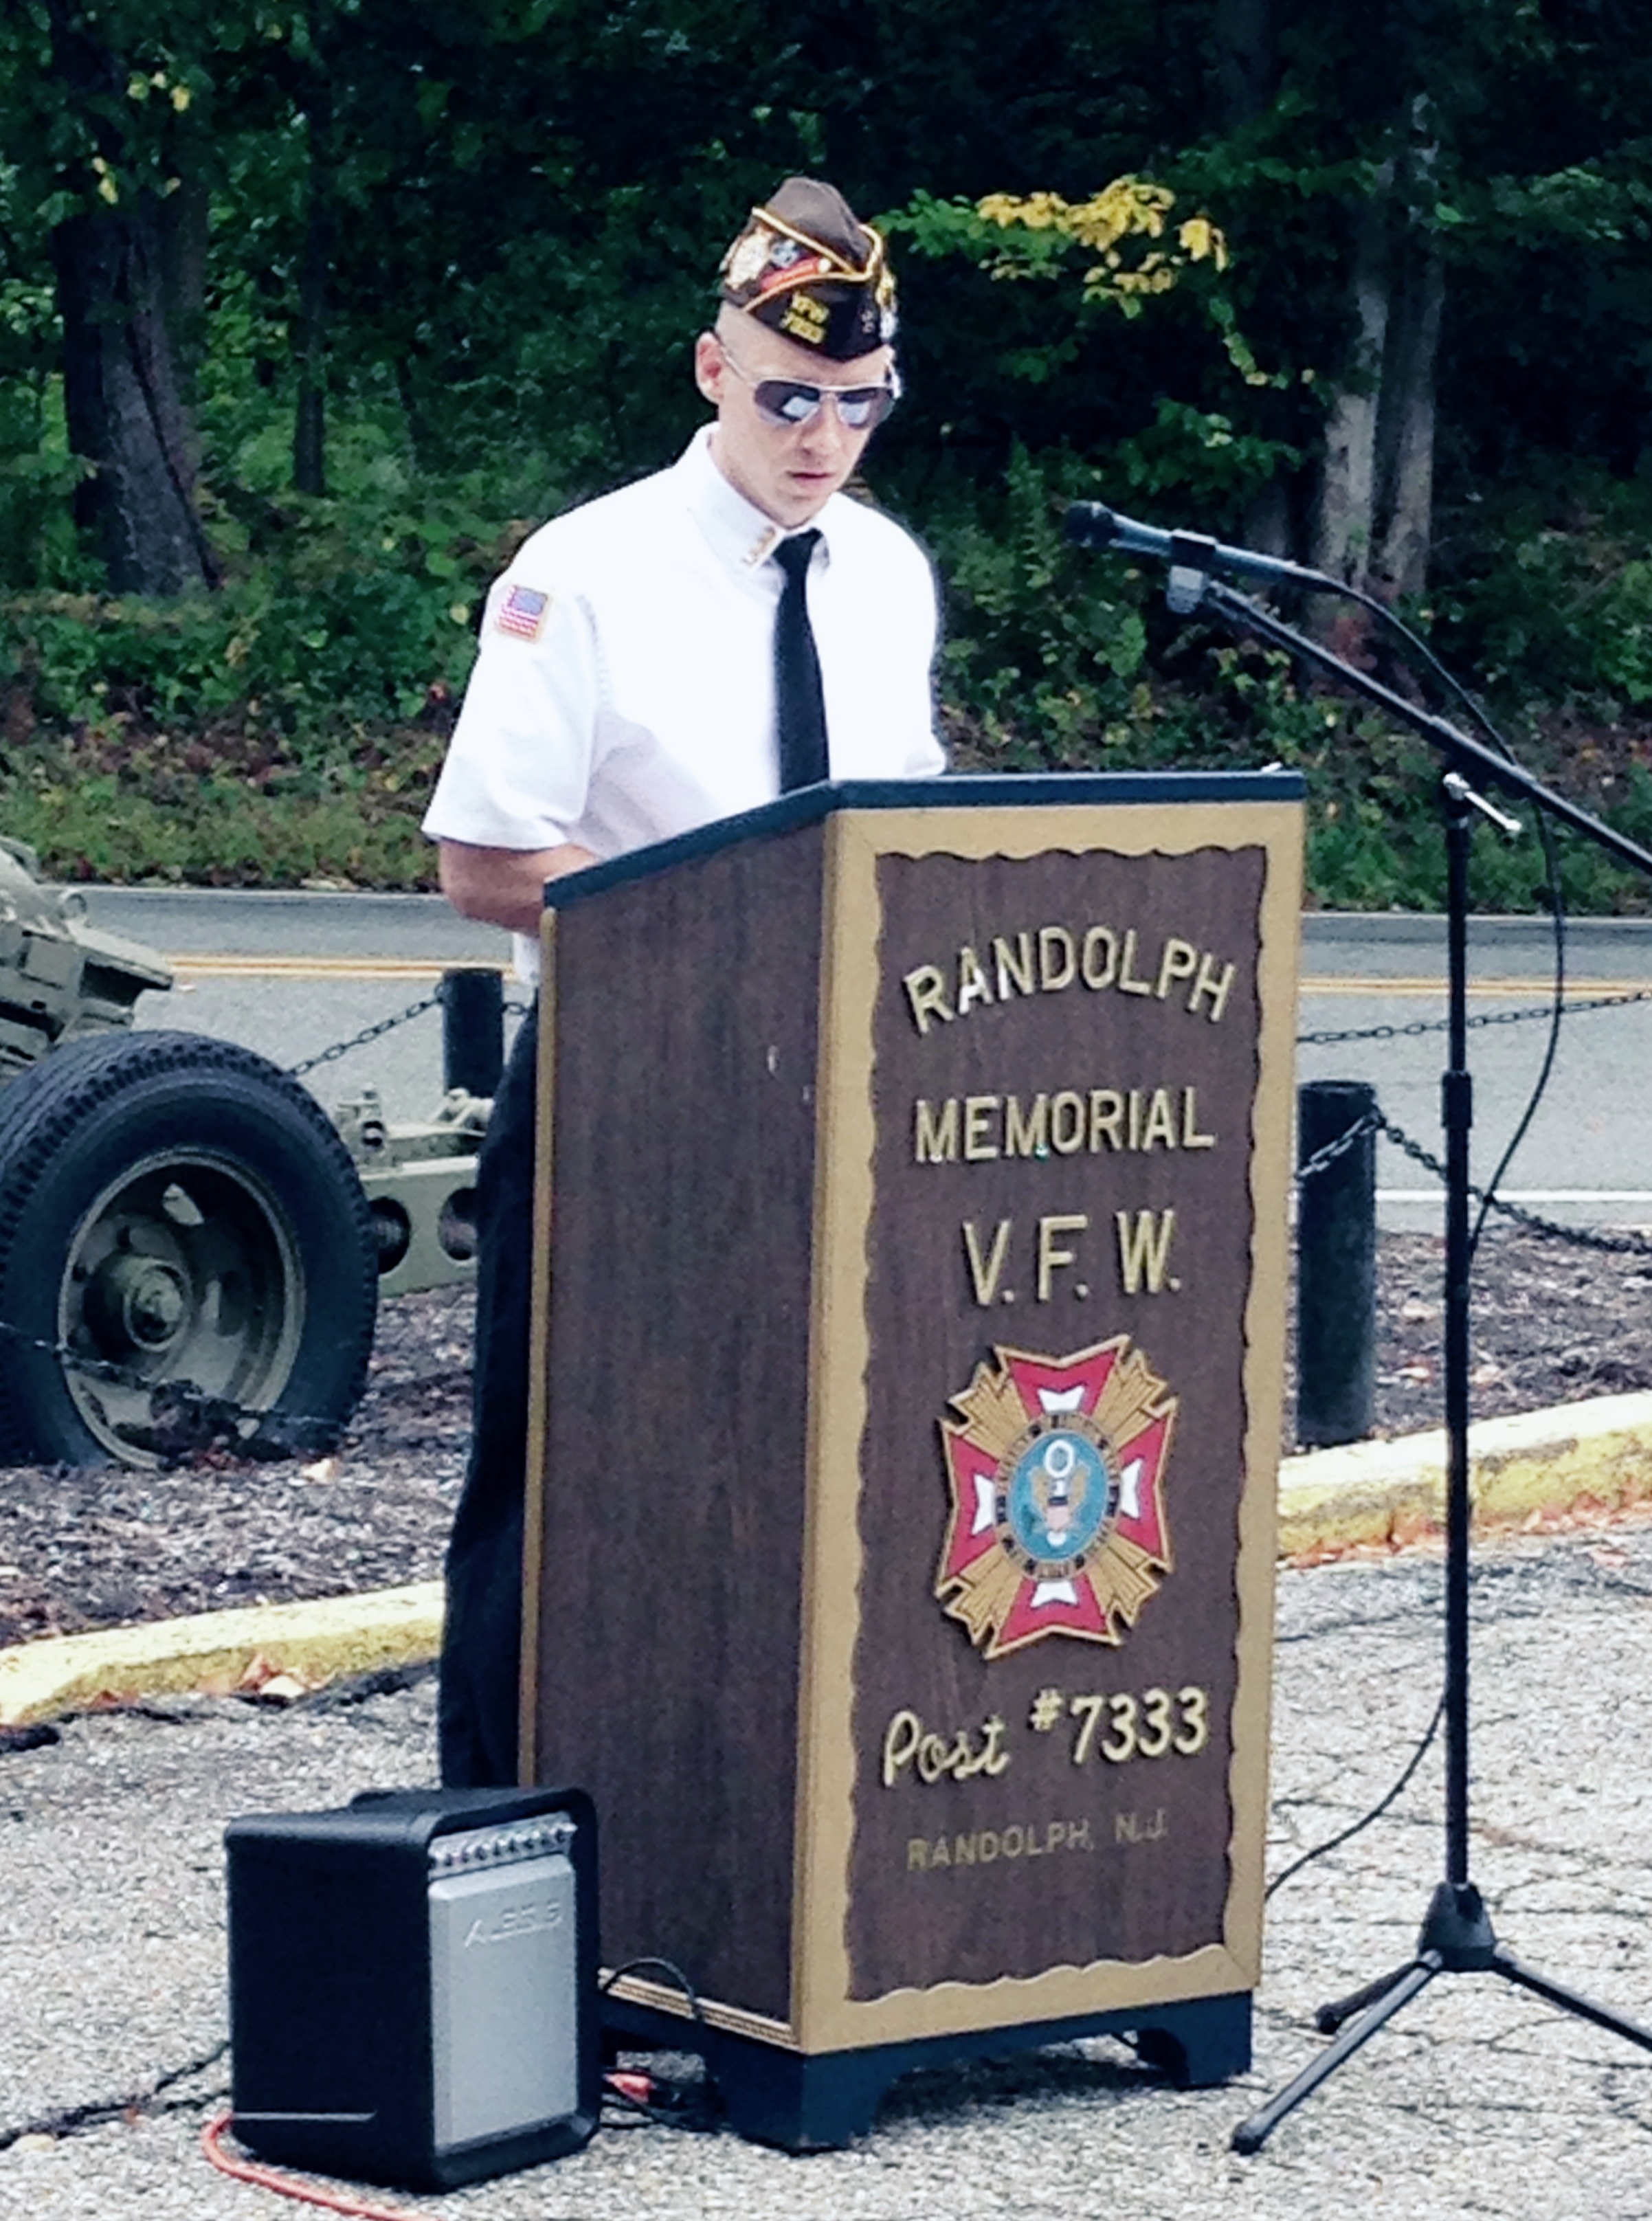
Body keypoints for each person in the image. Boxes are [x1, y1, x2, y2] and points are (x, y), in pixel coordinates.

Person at [422, 177, 946, 1786]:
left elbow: (901, 829)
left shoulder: (885, 573)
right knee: (569, 1492)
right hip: (622, 1088)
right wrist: (719, 917)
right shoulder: (585, 572)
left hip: (831, 1090)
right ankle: (505, 1869)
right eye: (790, 396)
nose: (821, 437)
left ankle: (754, 1863)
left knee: (800, 1486)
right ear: (713, 367)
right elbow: (484, 864)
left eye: (860, 405)